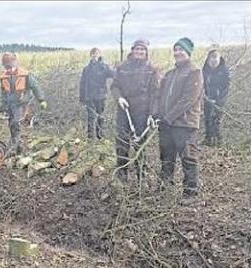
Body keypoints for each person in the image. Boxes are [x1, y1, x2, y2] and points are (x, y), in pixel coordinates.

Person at [152, 37, 203, 196]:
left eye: (181, 49)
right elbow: (160, 96)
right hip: (166, 124)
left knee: (188, 158)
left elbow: (188, 99)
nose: (177, 52)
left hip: (184, 123)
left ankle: (190, 192)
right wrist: (157, 115)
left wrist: (170, 117)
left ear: (188, 52)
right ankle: (165, 188)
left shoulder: (194, 72)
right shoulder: (170, 73)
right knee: (166, 157)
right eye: (176, 49)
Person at [110, 39, 160, 185]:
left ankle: (141, 177)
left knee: (140, 144)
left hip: (142, 112)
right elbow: (114, 86)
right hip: (124, 110)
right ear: (132, 50)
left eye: (142, 50)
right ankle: (122, 176)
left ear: (146, 52)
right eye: (137, 49)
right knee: (121, 143)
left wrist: (152, 113)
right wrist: (119, 98)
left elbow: (155, 93)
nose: (139, 52)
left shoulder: (152, 69)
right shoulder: (122, 67)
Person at [0, 52, 47, 154]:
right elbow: (3, 92)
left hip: (22, 103)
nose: (8, 69)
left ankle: (18, 146)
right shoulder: (3, 77)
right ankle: (15, 143)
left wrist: (41, 100)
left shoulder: (25, 74)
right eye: (6, 67)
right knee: (11, 124)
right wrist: (3, 105)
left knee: (17, 123)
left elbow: (35, 86)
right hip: (10, 105)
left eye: (10, 66)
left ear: (15, 63)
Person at [79, 47, 114, 139]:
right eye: (93, 53)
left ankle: (100, 136)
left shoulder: (104, 67)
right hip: (89, 97)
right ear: (90, 56)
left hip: (101, 96)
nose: (95, 55)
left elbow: (113, 74)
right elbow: (82, 83)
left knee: (100, 116)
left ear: (100, 55)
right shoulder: (86, 69)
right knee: (90, 117)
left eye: (97, 53)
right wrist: (82, 97)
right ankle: (90, 137)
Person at [202, 49, 230, 146]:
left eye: (215, 58)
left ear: (219, 58)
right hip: (207, 99)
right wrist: (205, 96)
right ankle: (208, 139)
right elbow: (202, 84)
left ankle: (218, 140)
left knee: (216, 120)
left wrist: (220, 101)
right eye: (211, 58)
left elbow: (226, 88)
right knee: (207, 119)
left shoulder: (224, 71)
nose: (213, 60)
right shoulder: (205, 69)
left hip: (219, 100)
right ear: (208, 59)